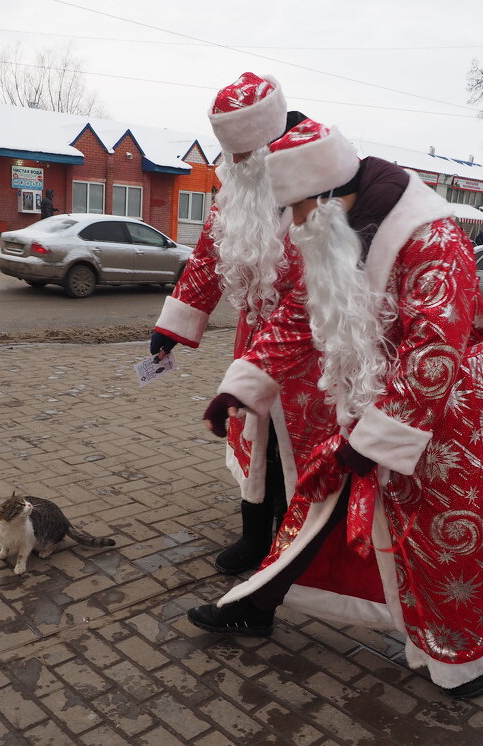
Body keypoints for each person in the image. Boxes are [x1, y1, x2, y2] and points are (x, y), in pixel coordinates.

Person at [190, 119, 483, 700]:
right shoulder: (335, 233)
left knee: (445, 544)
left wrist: (373, 440)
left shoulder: (431, 237)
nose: (295, 226)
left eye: (299, 211)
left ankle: (473, 658)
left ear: (330, 198)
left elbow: (434, 350)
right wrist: (243, 386)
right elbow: (299, 315)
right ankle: (254, 607)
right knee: (317, 510)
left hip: (442, 424)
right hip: (370, 409)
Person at [149, 73, 328, 576]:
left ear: (269, 142)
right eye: (232, 158)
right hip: (257, 338)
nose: (238, 167)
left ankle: (303, 547)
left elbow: (323, 278)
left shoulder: (319, 174)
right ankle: (255, 538)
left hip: (312, 349)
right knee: (256, 441)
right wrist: (174, 325)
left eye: (245, 156)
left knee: (300, 450)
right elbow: (210, 254)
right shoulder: (240, 184)